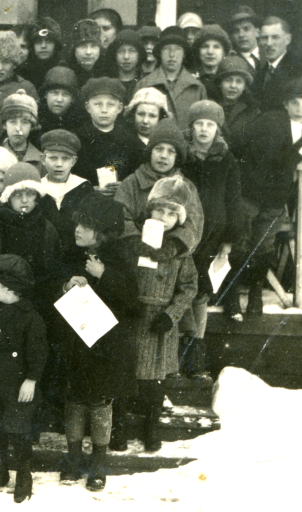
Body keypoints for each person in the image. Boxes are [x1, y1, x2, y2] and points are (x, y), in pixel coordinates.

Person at [58, 192, 138, 491]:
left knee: (99, 402)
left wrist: (103, 274)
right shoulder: (70, 254)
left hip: (106, 346)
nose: (77, 230)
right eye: (77, 223)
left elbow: (132, 302)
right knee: (74, 401)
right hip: (75, 343)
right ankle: (74, 459)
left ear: (102, 233)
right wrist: (67, 284)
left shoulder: (118, 258)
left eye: (85, 225)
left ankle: (98, 464)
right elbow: (53, 284)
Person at [230, 77, 302, 319]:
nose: (300, 109)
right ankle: (231, 295)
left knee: (263, 246)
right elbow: (282, 161)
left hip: (275, 198)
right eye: (295, 103)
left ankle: (255, 293)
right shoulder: (271, 122)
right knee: (239, 242)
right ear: (286, 104)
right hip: (250, 193)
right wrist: (301, 150)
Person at [0, 254, 47, 503]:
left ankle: (24, 474)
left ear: (10, 288)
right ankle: (0, 470)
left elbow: (39, 352)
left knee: (19, 430)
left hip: (18, 384)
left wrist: (32, 379)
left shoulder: (30, 317)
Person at [129, 175, 199, 451]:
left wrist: (171, 314)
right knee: (128, 370)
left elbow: (189, 287)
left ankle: (151, 425)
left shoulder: (181, 252)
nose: (164, 217)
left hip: (160, 320)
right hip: (133, 313)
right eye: (159, 210)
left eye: (172, 213)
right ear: (149, 210)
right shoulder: (135, 241)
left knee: (154, 378)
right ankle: (119, 425)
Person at [180, 100, 244, 371]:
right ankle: (179, 347)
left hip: (212, 235)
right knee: (181, 289)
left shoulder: (226, 159)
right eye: (199, 124)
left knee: (201, 293)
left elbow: (233, 200)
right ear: (191, 127)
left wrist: (228, 239)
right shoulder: (182, 155)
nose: (204, 130)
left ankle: (195, 351)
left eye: (210, 125)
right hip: (184, 232)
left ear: (217, 129)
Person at [0, 162, 64, 312]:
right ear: (8, 197)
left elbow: (54, 269)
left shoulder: (46, 227)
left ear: (37, 196)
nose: (24, 200)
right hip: (4, 300)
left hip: (39, 300)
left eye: (30, 194)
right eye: (17, 195)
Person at [113, 119, 204, 253]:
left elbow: (193, 224)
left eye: (170, 151)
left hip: (171, 261)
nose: (163, 156)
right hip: (133, 254)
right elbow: (119, 216)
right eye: (158, 149)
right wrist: (135, 242)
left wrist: (172, 247)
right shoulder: (132, 183)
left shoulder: (186, 187)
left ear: (177, 157)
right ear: (150, 152)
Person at [72, 77, 145, 193]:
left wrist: (126, 185)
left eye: (110, 104)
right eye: (97, 104)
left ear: (120, 108)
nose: (104, 110)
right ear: (87, 107)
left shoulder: (131, 141)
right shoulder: (76, 139)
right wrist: (89, 189)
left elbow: (141, 176)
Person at [38, 129, 94, 258]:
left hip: (77, 256)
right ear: (42, 159)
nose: (59, 164)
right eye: (53, 158)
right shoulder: (37, 188)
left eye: (65, 159)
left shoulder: (83, 187)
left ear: (73, 161)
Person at [135, 26, 207, 124]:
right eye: (166, 49)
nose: (172, 54)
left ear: (184, 53)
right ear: (160, 53)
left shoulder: (197, 88)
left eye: (178, 49)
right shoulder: (144, 85)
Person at [255, 16, 302, 111]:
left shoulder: (301, 69)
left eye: (275, 37)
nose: (269, 43)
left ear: (287, 39)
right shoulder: (261, 73)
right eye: (264, 38)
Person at [0, 89, 46, 175]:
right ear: (4, 125)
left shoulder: (41, 160)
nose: (18, 128)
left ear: (32, 126)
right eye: (12, 122)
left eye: (25, 122)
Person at [215, 55, 260, 144]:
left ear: (244, 86)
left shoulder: (253, 112)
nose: (233, 86)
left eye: (239, 81)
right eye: (228, 80)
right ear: (220, 83)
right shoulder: (211, 107)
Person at [37, 66, 86, 136]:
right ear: (45, 95)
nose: (59, 100)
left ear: (73, 98)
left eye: (65, 94)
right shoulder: (37, 122)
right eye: (55, 93)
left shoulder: (79, 125)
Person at [192, 24, 232, 103]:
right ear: (198, 51)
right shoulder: (191, 78)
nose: (210, 52)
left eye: (216, 47)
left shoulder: (229, 79)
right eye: (205, 46)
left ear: (224, 52)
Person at [20, 17, 63, 89]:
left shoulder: (63, 69)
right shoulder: (23, 72)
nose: (43, 46)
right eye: (38, 41)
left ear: (56, 45)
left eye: (48, 41)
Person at [106, 29, 146, 102]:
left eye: (132, 51)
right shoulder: (107, 84)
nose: (126, 56)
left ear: (139, 55)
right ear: (115, 55)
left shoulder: (145, 83)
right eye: (121, 51)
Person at [65, 19, 106, 85]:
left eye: (94, 46)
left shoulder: (108, 72)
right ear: (74, 48)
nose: (88, 52)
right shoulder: (65, 72)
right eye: (83, 46)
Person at [230, 5, 263, 74]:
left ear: (257, 32)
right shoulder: (231, 62)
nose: (241, 35)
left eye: (246, 29)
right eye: (236, 31)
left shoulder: (269, 55)